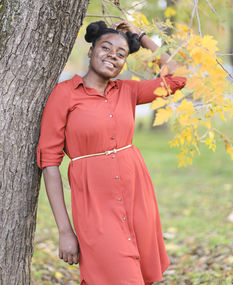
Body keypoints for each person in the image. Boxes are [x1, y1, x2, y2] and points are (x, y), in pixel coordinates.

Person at [36, 20, 186, 285]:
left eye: (121, 54)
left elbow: (176, 77)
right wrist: (64, 230)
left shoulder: (128, 91)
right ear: (91, 50)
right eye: (106, 48)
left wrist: (141, 36)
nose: (112, 57)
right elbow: (49, 163)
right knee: (114, 275)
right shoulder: (64, 94)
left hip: (137, 196)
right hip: (95, 205)